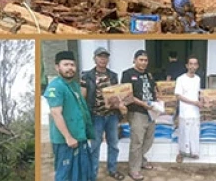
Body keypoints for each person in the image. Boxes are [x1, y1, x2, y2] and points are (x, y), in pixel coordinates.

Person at [44, 51, 95, 181]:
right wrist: (68, 137)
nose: (70, 68)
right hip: (66, 141)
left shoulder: (74, 85)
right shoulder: (55, 87)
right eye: (65, 64)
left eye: (72, 65)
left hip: (79, 137)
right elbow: (56, 113)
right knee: (66, 174)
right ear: (57, 67)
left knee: (83, 173)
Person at [81, 47, 125, 180]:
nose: (103, 59)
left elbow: (117, 94)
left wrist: (120, 105)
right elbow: (83, 97)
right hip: (96, 116)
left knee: (114, 144)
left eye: (105, 57)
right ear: (94, 58)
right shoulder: (86, 76)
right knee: (95, 146)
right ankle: (92, 175)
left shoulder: (113, 75)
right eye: (100, 57)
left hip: (111, 116)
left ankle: (112, 170)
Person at [121, 50, 157, 181]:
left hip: (151, 112)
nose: (143, 63)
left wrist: (158, 102)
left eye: (145, 60)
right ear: (134, 60)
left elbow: (153, 90)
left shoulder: (149, 75)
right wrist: (143, 104)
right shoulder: (127, 74)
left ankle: (141, 159)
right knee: (137, 142)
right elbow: (127, 95)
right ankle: (134, 169)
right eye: (141, 60)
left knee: (149, 139)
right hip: (137, 112)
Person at [175, 56, 202, 163]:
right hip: (185, 110)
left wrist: (202, 100)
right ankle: (182, 153)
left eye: (195, 64)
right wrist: (193, 102)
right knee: (183, 133)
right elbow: (178, 96)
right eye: (190, 64)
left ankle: (194, 152)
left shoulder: (198, 79)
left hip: (195, 111)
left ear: (197, 66)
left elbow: (198, 93)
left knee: (194, 132)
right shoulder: (180, 79)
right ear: (187, 65)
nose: (193, 66)